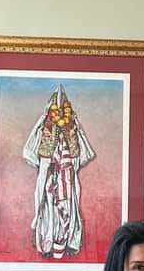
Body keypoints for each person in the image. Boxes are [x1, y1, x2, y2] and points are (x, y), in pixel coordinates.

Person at [22, 84, 95, 259]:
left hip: (67, 178)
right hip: (47, 174)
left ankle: (68, 242)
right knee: (46, 206)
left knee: (69, 207)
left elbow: (81, 154)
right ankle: (46, 245)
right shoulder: (44, 124)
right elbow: (31, 152)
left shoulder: (72, 125)